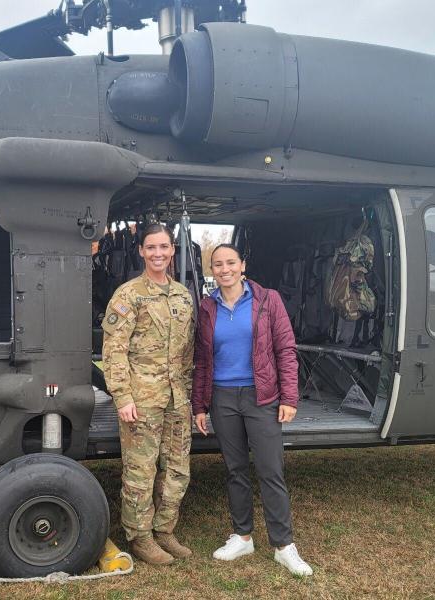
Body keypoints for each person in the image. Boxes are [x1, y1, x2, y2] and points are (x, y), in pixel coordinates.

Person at [192, 243, 313, 577]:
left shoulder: (267, 300)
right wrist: (199, 405)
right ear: (212, 270)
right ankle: (243, 536)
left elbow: (286, 350)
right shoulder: (206, 307)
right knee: (235, 470)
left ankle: (283, 546)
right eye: (218, 264)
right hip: (222, 398)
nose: (225, 269)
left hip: (262, 397)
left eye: (231, 262)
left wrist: (289, 397)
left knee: (270, 471)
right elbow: (203, 361)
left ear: (242, 265)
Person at [101, 223, 195, 565]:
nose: (158, 253)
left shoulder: (182, 296)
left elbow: (187, 350)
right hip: (141, 400)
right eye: (151, 247)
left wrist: (187, 392)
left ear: (172, 251)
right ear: (141, 251)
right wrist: (123, 397)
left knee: (177, 468)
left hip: (176, 399)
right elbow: (113, 350)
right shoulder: (129, 295)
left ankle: (164, 530)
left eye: (164, 247)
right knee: (141, 470)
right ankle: (140, 536)